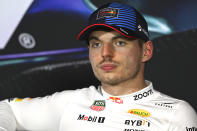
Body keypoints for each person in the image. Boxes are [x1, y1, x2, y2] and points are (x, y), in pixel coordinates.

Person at [0, 2, 196, 131]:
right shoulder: (70, 102)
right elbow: (7, 108)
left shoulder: (176, 114)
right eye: (96, 44)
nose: (105, 53)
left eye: (119, 43)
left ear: (146, 51)